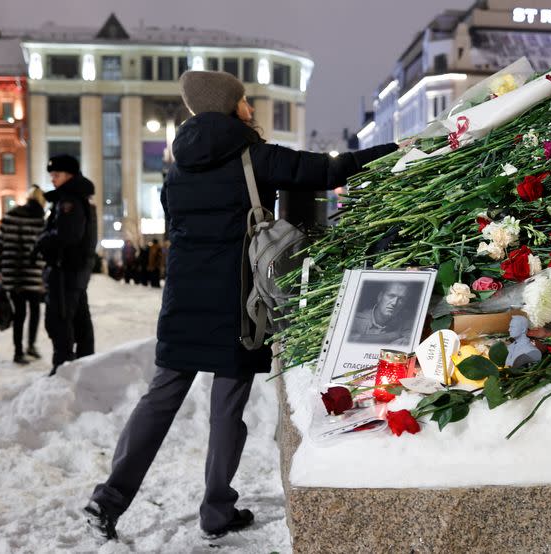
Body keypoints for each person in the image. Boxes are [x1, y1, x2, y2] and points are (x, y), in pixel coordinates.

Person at [84, 70, 398, 543]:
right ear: (233, 105)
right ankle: (215, 511)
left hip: (183, 299)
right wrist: (395, 151)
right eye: (246, 100)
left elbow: (176, 222)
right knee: (226, 408)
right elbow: (329, 170)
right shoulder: (254, 154)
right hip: (238, 302)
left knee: (159, 399)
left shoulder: (178, 162)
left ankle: (108, 500)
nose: (250, 106)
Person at [35, 154, 97, 376]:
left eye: (57, 174)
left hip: (66, 270)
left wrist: (43, 241)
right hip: (73, 270)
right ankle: (83, 366)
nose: (52, 179)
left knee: (59, 319)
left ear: (70, 175)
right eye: (51, 175)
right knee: (78, 320)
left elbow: (67, 235)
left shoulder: (70, 200)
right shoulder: (77, 197)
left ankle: (63, 368)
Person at [0, 185, 47, 364]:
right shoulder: (41, 220)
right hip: (33, 274)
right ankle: (31, 345)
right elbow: (44, 248)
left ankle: (18, 352)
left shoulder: (11, 215)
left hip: (12, 274)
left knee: (19, 313)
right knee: (35, 311)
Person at [349, 282, 415, 345]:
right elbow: (351, 339)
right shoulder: (354, 320)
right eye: (391, 296)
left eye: (401, 299)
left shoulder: (408, 324)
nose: (394, 303)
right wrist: (393, 335)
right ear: (380, 296)